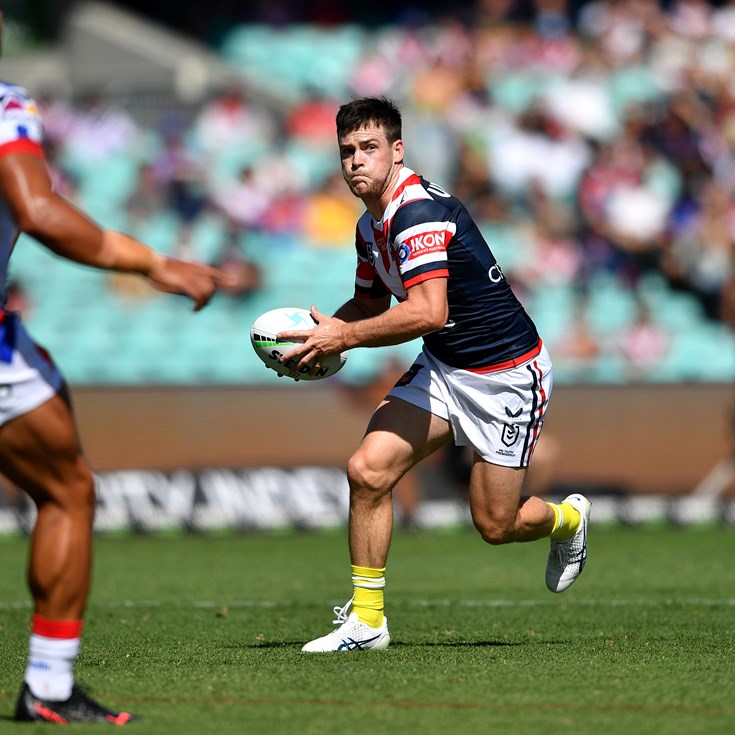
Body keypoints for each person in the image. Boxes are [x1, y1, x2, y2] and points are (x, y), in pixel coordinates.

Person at [277, 97, 591, 652]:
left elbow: (428, 312)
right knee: (367, 471)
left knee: (496, 525)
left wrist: (342, 337)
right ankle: (368, 623)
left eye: (369, 148)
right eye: (347, 151)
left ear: (397, 151)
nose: (356, 162)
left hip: (507, 374)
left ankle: (567, 520)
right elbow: (369, 304)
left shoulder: (414, 212)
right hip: (446, 366)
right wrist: (316, 335)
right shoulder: (368, 226)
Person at [0, 14, 234, 723]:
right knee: (68, 489)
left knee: (67, 481)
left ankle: (48, 685)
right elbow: (38, 210)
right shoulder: (6, 102)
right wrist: (154, 261)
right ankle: (47, 683)